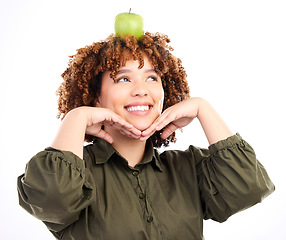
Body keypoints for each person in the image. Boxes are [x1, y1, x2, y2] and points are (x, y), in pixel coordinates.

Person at [17, 32, 274, 240]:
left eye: (151, 77)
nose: (141, 90)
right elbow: (53, 200)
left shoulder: (187, 167)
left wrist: (202, 108)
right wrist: (75, 118)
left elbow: (248, 188)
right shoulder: (76, 176)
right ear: (96, 97)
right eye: (123, 79)